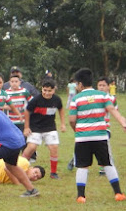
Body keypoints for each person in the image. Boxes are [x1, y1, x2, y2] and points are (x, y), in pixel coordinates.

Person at [69, 68, 126, 203]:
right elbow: (111, 109)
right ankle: (118, 193)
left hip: (82, 137)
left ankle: (81, 196)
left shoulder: (76, 99)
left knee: (82, 166)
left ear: (80, 84)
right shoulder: (102, 96)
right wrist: (123, 122)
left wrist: (77, 130)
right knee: (107, 164)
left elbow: (72, 120)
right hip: (100, 136)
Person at [22, 79, 66, 179]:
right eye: (44, 90)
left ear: (54, 90)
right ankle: (20, 168)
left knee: (54, 147)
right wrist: (26, 127)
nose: (46, 93)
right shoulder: (36, 100)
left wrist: (63, 124)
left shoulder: (57, 100)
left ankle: (53, 173)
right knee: (31, 147)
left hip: (49, 127)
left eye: (49, 91)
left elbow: (61, 109)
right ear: (42, 89)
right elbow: (27, 112)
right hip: (35, 127)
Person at [96, 76, 117, 175]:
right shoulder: (94, 97)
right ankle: (74, 159)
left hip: (105, 127)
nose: (101, 87)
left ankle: (103, 169)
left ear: (109, 87)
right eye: (99, 85)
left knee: (104, 147)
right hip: (93, 126)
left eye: (104, 85)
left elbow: (114, 111)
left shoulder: (112, 99)